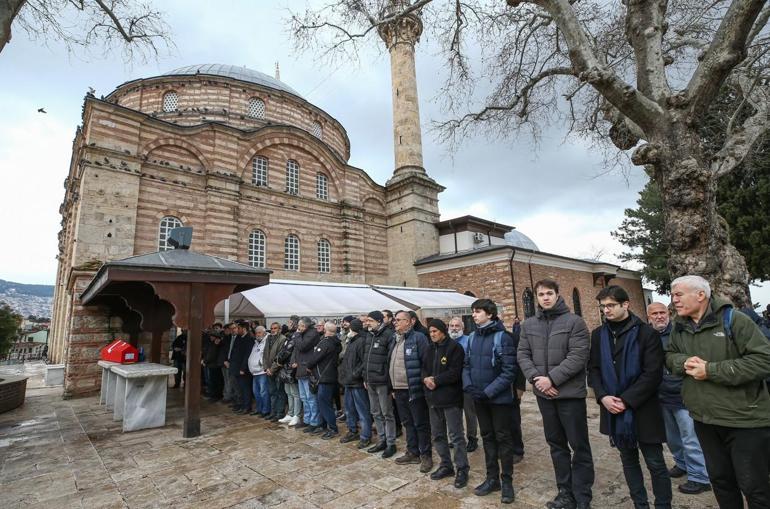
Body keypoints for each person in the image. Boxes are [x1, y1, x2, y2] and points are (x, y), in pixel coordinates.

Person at [665, 275, 770, 508]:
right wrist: (683, 362)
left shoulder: (736, 320)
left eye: (678, 295)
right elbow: (669, 356)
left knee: (755, 487)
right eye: (673, 296)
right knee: (721, 482)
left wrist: (711, 370)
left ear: (700, 295)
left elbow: (764, 360)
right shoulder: (679, 328)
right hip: (705, 418)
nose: (674, 301)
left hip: (744, 421)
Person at [588, 286, 671, 509]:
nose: (606, 310)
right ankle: (640, 504)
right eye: (603, 306)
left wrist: (626, 400)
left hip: (643, 409)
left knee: (655, 462)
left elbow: (652, 373)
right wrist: (603, 397)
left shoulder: (647, 333)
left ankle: (663, 505)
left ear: (626, 305)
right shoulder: (598, 335)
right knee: (629, 461)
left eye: (611, 305)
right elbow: (593, 369)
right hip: (613, 408)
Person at [518, 279, 594, 509]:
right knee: (556, 445)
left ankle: (582, 497)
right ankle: (565, 492)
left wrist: (551, 379)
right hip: (545, 396)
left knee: (578, 446)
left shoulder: (575, 322)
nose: (545, 298)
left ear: (558, 295)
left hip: (569, 395)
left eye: (549, 293)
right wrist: (537, 381)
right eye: (541, 294)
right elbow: (522, 354)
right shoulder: (528, 325)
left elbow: (578, 356)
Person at [647, 301, 711, 495]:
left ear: (669, 313)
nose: (659, 316)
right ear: (648, 317)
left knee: (690, 438)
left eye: (662, 312)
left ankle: (699, 477)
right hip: (661, 395)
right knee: (672, 438)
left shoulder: (680, 333)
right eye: (654, 314)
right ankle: (682, 464)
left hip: (682, 395)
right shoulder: (648, 336)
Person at [462, 298, 517, 504]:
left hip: (499, 399)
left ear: (490, 314)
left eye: (478, 311)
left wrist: (488, 392)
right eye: (473, 311)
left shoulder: (503, 337)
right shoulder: (472, 337)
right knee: (487, 437)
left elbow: (509, 370)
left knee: (503, 438)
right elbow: (466, 365)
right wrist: (469, 387)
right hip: (479, 397)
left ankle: (507, 481)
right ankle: (492, 478)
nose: (474, 315)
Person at [422, 318, 469, 488]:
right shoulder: (429, 349)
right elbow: (424, 368)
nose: (432, 334)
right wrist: (426, 379)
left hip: (450, 399)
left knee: (456, 436)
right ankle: (446, 465)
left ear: (443, 331)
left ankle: (462, 468)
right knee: (438, 435)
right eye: (430, 332)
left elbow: (455, 372)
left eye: (435, 331)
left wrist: (436, 380)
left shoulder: (455, 348)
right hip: (433, 400)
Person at [390, 310, 433, 473]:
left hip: (414, 389)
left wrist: (421, 385)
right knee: (407, 423)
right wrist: (392, 387)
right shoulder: (396, 339)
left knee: (420, 423)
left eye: (400, 320)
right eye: (395, 320)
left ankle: (426, 455)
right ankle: (412, 452)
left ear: (410, 322)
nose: (396, 322)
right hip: (399, 389)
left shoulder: (419, 338)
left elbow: (426, 363)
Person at [363, 310, 398, 458]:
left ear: (379, 321)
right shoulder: (369, 336)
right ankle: (381, 440)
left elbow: (390, 360)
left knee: (387, 413)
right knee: (375, 412)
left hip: (382, 381)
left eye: (370, 321)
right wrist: (365, 377)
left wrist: (389, 383)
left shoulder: (389, 335)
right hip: (370, 381)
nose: (368, 323)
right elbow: (366, 359)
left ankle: (391, 443)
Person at [338, 318, 373, 448]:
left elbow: (363, 362)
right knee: (349, 409)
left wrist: (355, 374)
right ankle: (352, 431)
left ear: (354, 329)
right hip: (348, 381)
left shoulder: (361, 341)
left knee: (362, 411)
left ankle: (365, 436)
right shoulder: (352, 340)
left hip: (356, 382)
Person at [308, 321, 343, 439]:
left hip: (324, 377)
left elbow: (314, 359)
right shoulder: (337, 342)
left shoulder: (325, 343)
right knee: (324, 403)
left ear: (325, 330)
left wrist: (308, 365)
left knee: (324, 404)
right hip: (331, 376)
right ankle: (324, 425)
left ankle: (332, 428)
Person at [449, 316, 479, 453]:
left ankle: (472, 438)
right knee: (454, 414)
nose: (454, 328)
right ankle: (456, 437)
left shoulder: (469, 341)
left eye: (457, 326)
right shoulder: (446, 342)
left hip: (466, 384)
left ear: (463, 328)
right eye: (452, 326)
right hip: (451, 385)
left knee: (469, 413)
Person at [293, 317, 322, 432]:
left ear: (305, 325)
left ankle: (314, 422)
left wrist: (297, 335)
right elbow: (297, 349)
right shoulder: (303, 334)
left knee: (310, 398)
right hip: (301, 369)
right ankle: (307, 419)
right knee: (304, 397)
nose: (298, 328)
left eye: (300, 325)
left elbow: (302, 346)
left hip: (307, 370)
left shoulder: (312, 334)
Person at [276, 322, 302, 426]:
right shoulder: (289, 336)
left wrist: (279, 360)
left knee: (295, 393)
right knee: (288, 392)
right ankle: (290, 413)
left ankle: (297, 415)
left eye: (291, 322)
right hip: (285, 369)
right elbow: (283, 350)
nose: (288, 324)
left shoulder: (296, 337)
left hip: (292, 369)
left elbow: (287, 351)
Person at [230, 320, 255, 415]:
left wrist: (243, 368)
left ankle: (247, 407)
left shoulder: (249, 339)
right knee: (239, 388)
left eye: (238, 328)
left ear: (244, 329)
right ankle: (241, 405)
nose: (237, 330)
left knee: (245, 388)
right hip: (236, 367)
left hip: (243, 369)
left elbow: (247, 355)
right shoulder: (239, 338)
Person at [264, 322, 287, 422]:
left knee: (280, 393)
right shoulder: (268, 338)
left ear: (280, 329)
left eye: (275, 328)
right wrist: (266, 368)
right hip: (268, 370)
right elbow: (264, 354)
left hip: (278, 371)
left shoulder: (283, 339)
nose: (273, 330)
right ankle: (273, 412)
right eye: (272, 328)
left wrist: (272, 369)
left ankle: (279, 413)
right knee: (272, 392)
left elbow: (280, 356)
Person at [248, 326, 270, 417]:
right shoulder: (256, 342)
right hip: (254, 372)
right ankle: (259, 409)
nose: (257, 334)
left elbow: (266, 356)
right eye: (256, 333)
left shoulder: (267, 342)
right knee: (256, 393)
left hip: (262, 372)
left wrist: (261, 363)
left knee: (263, 392)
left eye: (259, 332)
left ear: (264, 333)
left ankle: (265, 411)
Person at [203, 329, 224, 402]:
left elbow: (212, 354)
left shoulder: (216, 343)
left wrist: (205, 361)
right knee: (212, 381)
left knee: (215, 381)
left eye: (212, 336)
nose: (211, 337)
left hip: (215, 365)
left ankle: (216, 396)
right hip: (211, 365)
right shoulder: (211, 343)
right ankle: (213, 395)